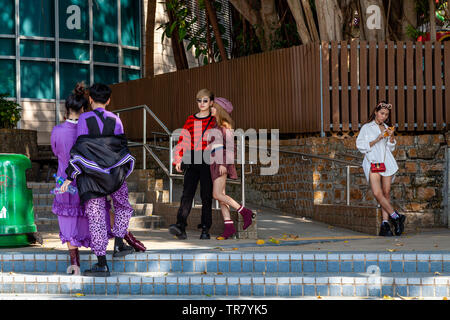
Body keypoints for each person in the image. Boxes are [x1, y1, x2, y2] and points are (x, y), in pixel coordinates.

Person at [61, 83, 136, 277]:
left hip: (91, 176)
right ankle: (119, 242)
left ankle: (101, 263)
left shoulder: (84, 119)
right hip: (115, 174)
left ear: (91, 100)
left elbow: (81, 147)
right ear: (109, 100)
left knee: (96, 217)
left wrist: (70, 176)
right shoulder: (116, 120)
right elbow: (120, 148)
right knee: (123, 205)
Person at [169, 89, 217, 240]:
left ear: (211, 102)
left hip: (208, 160)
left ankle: (205, 229)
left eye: (205, 101)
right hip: (191, 158)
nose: (201, 104)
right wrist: (178, 158)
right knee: (187, 194)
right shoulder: (190, 119)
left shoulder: (216, 120)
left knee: (206, 196)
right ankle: (180, 226)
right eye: (199, 100)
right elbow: (183, 140)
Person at [356, 101, 406, 236]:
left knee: (386, 192)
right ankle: (396, 216)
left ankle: (385, 224)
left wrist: (391, 137)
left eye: (386, 115)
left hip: (387, 163)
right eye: (382, 113)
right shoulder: (367, 127)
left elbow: (391, 148)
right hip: (374, 163)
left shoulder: (386, 127)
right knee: (377, 193)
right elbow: (361, 146)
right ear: (376, 112)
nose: (384, 117)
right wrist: (378, 138)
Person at [207, 97, 254, 239]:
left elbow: (231, 148)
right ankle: (229, 227)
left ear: (220, 110)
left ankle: (245, 212)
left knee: (217, 194)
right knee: (221, 197)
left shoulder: (225, 126)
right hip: (214, 161)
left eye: (213, 107)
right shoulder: (215, 126)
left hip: (221, 162)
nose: (211, 109)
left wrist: (223, 164)